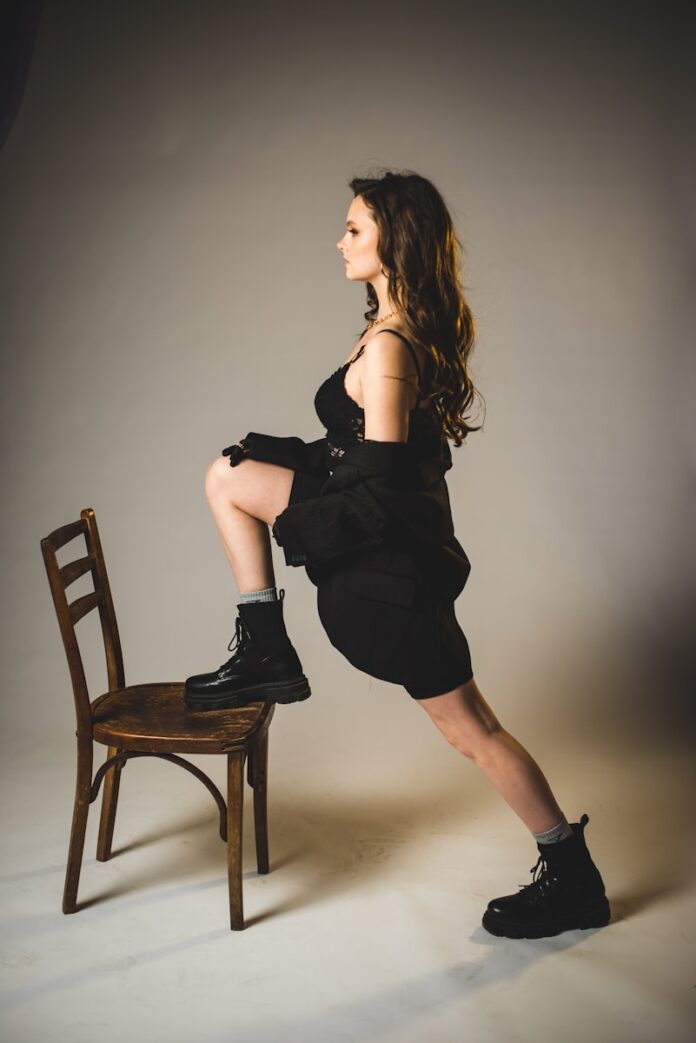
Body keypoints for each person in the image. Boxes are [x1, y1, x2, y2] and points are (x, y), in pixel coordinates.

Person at [183, 170, 611, 940]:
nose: (339, 241)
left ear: (394, 241)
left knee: (472, 730)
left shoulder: (388, 348)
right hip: (389, 568)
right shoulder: (390, 331)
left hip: (388, 584)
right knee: (229, 475)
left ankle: (571, 877)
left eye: (354, 229)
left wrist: (295, 526)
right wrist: (276, 457)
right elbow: (360, 455)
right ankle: (264, 643)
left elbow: (378, 493)